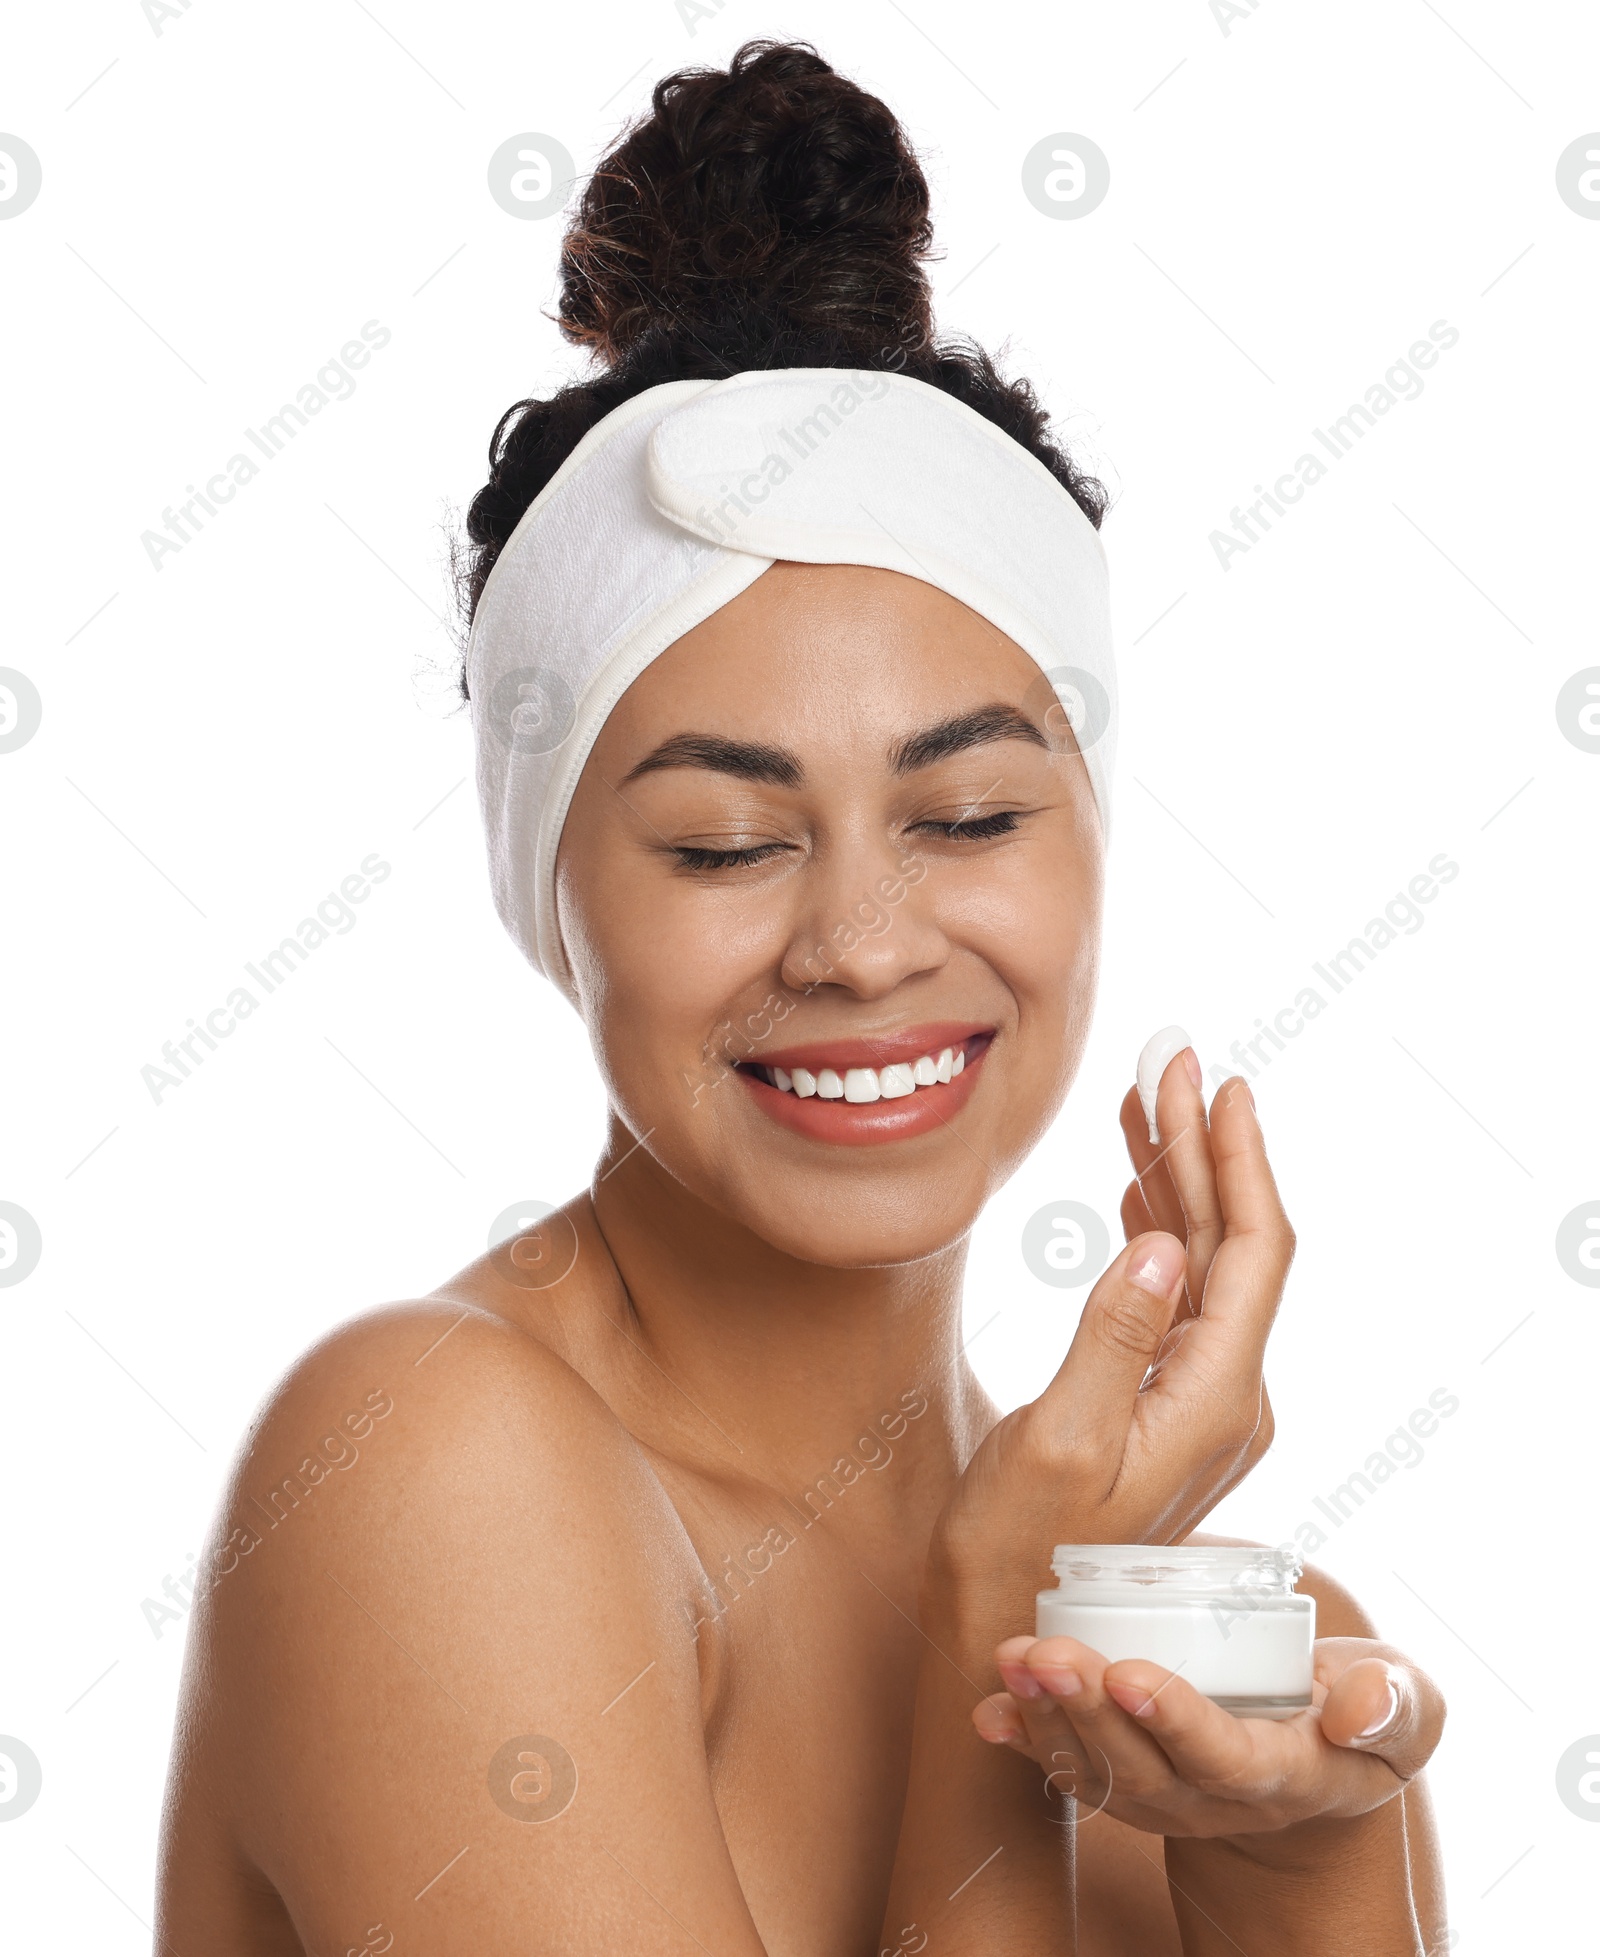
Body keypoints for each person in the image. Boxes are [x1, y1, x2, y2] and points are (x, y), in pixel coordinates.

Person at [156, 40, 1447, 1955]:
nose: (860, 940)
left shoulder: (1230, 1679)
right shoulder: (428, 1472)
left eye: (969, 811)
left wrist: (1315, 1861)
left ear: (1086, 838)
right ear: (554, 893)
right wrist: (981, 1673)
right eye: (722, 843)